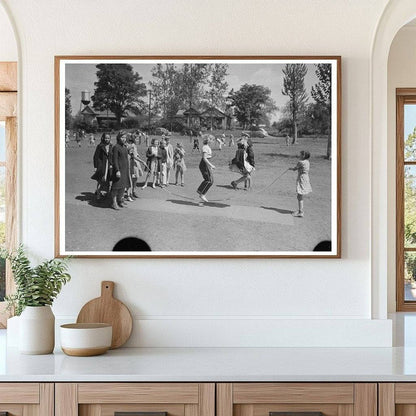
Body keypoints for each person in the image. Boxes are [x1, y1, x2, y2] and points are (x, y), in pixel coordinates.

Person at [289, 150, 312, 218]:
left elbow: (295, 168)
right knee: (299, 195)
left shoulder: (300, 162)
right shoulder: (307, 162)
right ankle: (300, 210)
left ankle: (300, 212)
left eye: (300, 155)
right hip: (305, 178)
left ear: (303, 156)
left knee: (299, 195)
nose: (299, 156)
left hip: (302, 179)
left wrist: (291, 168)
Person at [110, 131, 130, 210]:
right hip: (118, 170)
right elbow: (115, 160)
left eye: (125, 137)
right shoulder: (116, 147)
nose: (124, 139)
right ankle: (114, 203)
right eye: (122, 137)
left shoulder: (124, 147)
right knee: (116, 187)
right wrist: (117, 170)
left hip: (125, 170)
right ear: (118, 138)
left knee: (123, 187)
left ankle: (120, 201)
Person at [91, 133, 113, 200]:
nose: (107, 139)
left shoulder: (111, 146)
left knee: (108, 180)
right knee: (100, 180)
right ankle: (98, 193)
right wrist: (95, 166)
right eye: (106, 138)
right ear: (103, 138)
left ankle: (107, 193)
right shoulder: (100, 146)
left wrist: (112, 164)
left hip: (109, 166)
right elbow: (95, 156)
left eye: (108, 138)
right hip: (101, 165)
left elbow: (112, 156)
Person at [127, 134, 146, 198]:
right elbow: (133, 156)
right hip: (133, 163)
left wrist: (137, 154)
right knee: (132, 178)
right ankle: (130, 193)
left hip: (136, 163)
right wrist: (142, 161)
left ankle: (134, 191)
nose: (137, 140)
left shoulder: (134, 145)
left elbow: (135, 153)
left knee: (135, 178)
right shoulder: (130, 145)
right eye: (136, 138)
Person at [197, 136, 215, 203]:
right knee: (209, 180)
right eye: (212, 140)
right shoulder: (205, 147)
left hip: (207, 165)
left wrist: (210, 166)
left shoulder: (208, 147)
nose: (213, 142)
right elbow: (204, 158)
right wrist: (211, 165)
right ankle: (202, 194)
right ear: (209, 140)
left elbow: (208, 158)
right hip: (204, 165)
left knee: (210, 180)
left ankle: (200, 191)